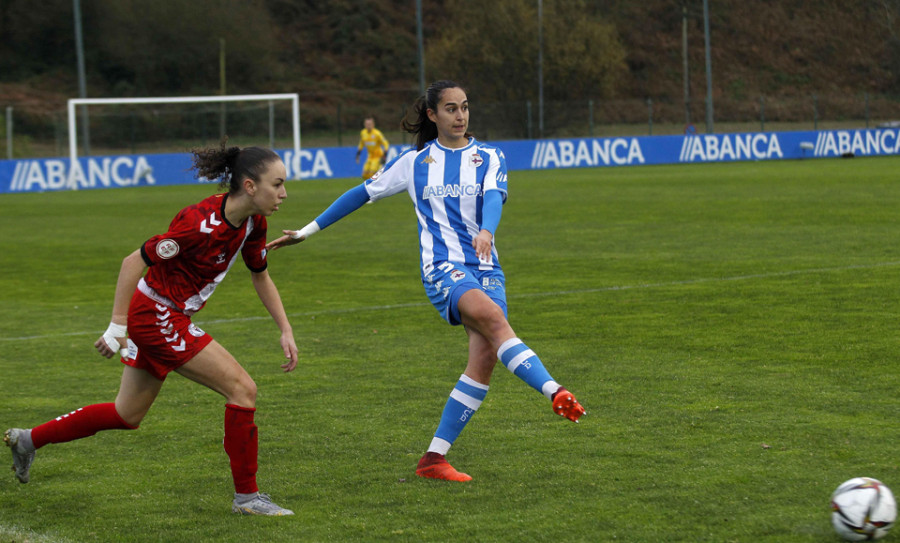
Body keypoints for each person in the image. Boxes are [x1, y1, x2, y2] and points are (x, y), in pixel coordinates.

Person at [267, 80, 585, 482]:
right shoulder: (414, 163)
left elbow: (492, 198)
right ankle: (554, 391)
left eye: (465, 107)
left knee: (485, 356)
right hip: (442, 268)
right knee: (490, 317)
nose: (460, 115)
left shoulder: (489, 156)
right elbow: (361, 194)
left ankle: (434, 459)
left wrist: (487, 231)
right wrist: (307, 231)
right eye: (450, 108)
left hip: (487, 268)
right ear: (432, 115)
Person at [5, 142, 298, 516]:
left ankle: (28, 440)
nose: (284, 193)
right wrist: (117, 326)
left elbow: (260, 275)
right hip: (156, 314)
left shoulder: (255, 222)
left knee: (126, 415)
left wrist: (285, 329)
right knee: (242, 389)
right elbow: (133, 261)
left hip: (167, 315)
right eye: (278, 184)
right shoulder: (198, 225)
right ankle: (247, 498)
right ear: (250, 186)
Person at [355, 115, 390, 180]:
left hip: (378, 157)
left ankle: (377, 187)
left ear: (373, 125)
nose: (368, 126)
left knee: (372, 174)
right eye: (367, 124)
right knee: (364, 175)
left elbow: (386, 144)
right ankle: (371, 187)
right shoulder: (363, 133)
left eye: (370, 124)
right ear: (364, 124)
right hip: (370, 157)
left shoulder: (377, 134)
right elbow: (361, 143)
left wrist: (384, 156)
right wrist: (358, 154)